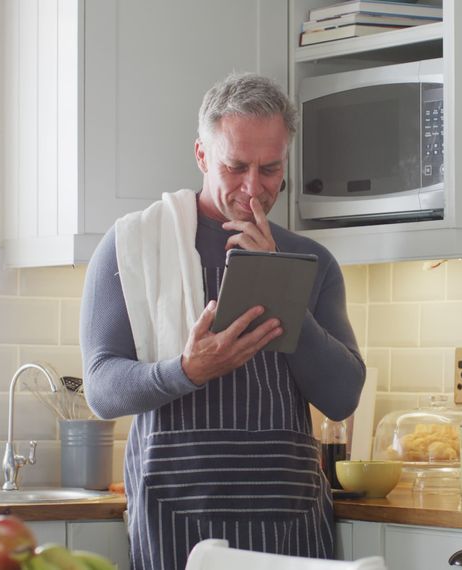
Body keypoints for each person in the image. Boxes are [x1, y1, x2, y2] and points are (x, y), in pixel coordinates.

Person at [80, 72, 366, 570]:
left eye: (270, 169)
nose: (253, 188)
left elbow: (342, 396)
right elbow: (102, 389)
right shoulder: (134, 248)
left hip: (288, 519)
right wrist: (185, 370)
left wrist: (283, 286)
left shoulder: (310, 259)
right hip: (177, 516)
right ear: (201, 155)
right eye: (235, 167)